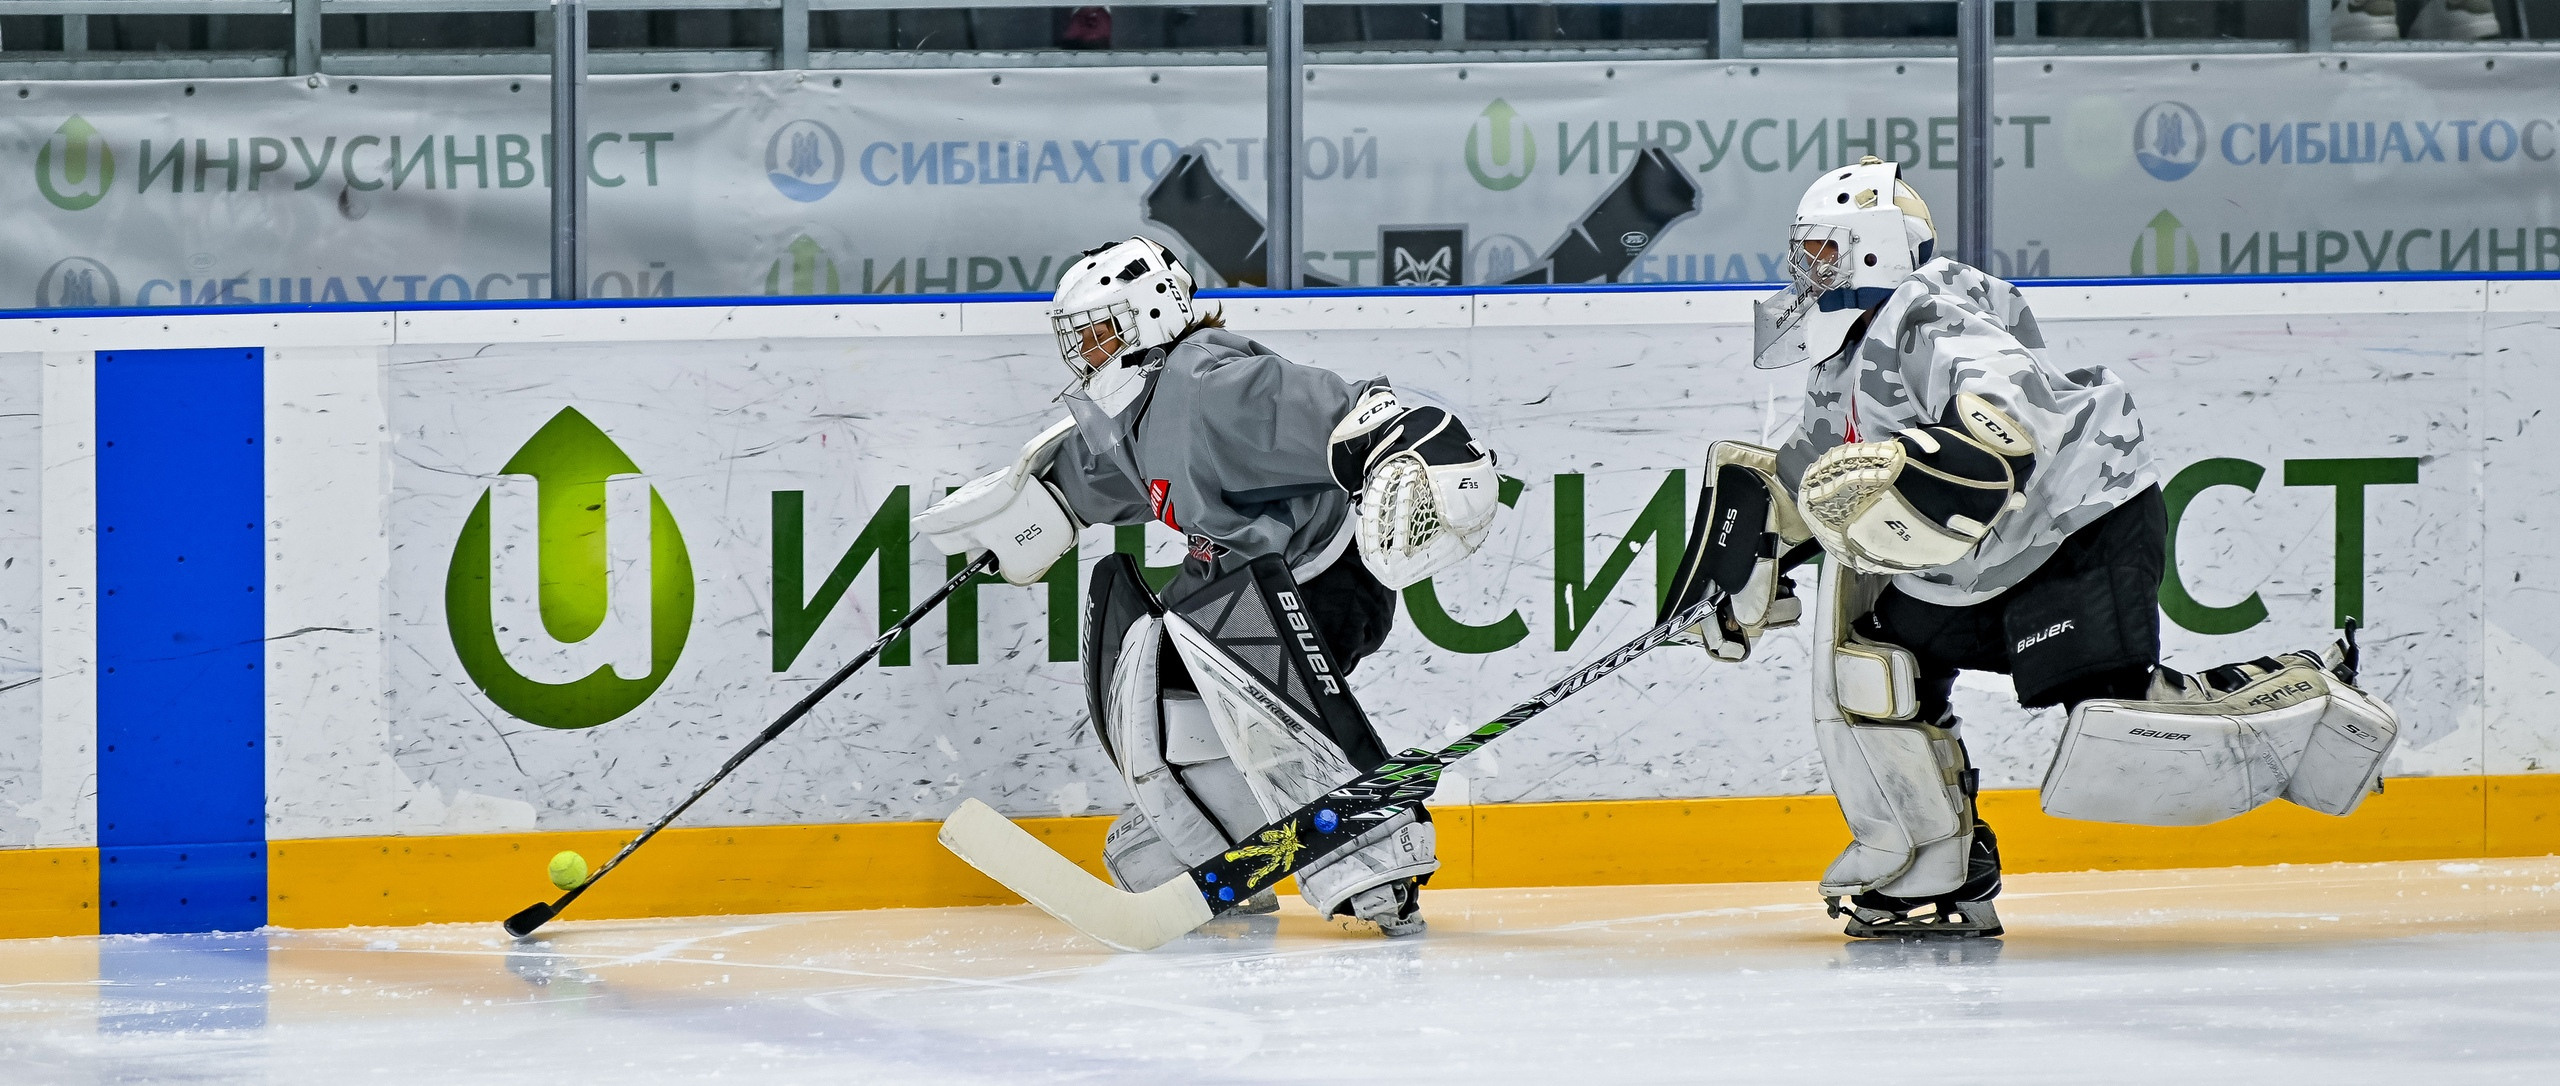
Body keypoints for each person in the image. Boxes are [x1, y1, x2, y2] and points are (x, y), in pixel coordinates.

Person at [1662, 158, 2403, 939]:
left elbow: (2001, 402)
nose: (1803, 269)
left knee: (2125, 720)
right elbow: (1809, 476)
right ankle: (1932, 863)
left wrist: (1943, 459)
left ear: (1870, 250)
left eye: (1820, 251)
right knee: (1874, 671)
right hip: (1972, 568)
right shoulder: (1841, 353)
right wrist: (1741, 564)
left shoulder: (1928, 312)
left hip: (2073, 532)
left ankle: (2308, 697)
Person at [914, 237, 1500, 936]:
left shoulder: (1212, 386)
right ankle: (1212, 837)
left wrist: (1412, 443)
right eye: (1079, 339)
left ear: (1149, 315)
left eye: (1100, 331)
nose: (1085, 353)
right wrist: (1024, 515)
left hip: (1320, 580)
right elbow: (1100, 474)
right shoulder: (1140, 408)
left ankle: (1373, 852)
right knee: (1143, 667)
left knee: (1234, 670)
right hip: (1234, 591)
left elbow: (1348, 414)